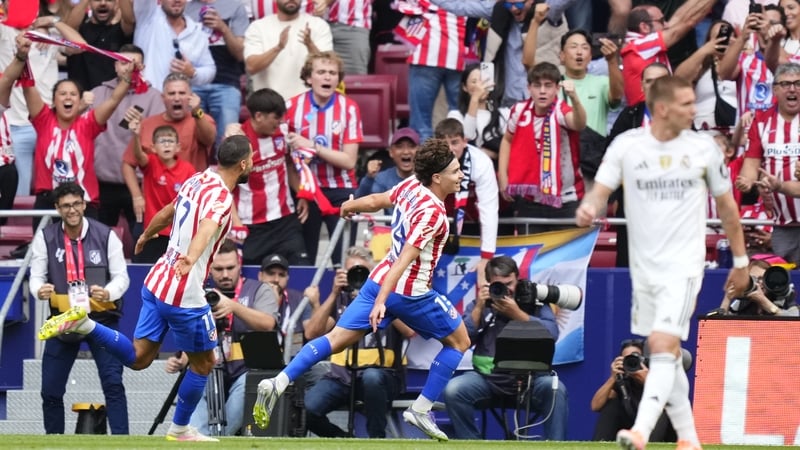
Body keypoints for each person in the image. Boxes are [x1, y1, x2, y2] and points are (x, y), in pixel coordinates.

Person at [36, 135, 254, 442]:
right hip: (183, 291)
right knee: (205, 362)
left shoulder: (197, 179)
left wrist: (147, 234)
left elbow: (169, 209)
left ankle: (86, 324)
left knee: (139, 358)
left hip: (157, 279)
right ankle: (180, 429)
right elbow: (206, 228)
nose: (253, 164)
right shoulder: (222, 197)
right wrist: (191, 258)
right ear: (243, 163)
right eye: (252, 159)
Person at [252, 138, 471, 441]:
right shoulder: (433, 212)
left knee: (336, 340)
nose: (461, 176)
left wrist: (349, 205)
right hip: (409, 291)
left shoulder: (410, 186)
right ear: (437, 177)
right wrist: (384, 301)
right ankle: (421, 409)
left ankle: (279, 380)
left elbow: (377, 200)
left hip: (377, 278)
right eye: (456, 171)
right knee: (459, 341)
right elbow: (405, 260)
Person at [576, 75, 751, 450]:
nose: (694, 110)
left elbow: (728, 208)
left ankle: (641, 430)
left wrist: (740, 261)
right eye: (687, 104)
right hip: (644, 268)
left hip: (685, 264)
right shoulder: (627, 145)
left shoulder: (704, 149)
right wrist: (590, 206)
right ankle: (688, 437)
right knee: (668, 353)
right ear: (661, 109)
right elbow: (602, 189)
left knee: (658, 344)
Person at [30, 182, 130, 435]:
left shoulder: (106, 235)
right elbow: (35, 277)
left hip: (101, 318)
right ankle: (55, 441)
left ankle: (122, 441)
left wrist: (109, 292)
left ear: (84, 204)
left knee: (113, 384)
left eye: (76, 204)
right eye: (65, 206)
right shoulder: (46, 237)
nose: (72, 210)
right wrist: (39, 290)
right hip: (63, 319)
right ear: (57, 208)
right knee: (50, 390)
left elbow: (122, 277)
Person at [443, 255, 568, 441]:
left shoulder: (534, 301)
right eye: (499, 285)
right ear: (489, 283)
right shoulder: (483, 304)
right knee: (454, 389)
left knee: (555, 389)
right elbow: (461, 339)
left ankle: (556, 446)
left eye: (509, 283)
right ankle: (472, 445)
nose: (507, 290)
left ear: (517, 278)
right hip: (488, 380)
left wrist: (518, 314)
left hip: (532, 381)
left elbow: (552, 334)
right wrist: (478, 307)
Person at [12, 33, 134, 218]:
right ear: (53, 101)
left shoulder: (88, 123)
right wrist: (22, 55)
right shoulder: (44, 119)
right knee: (45, 248)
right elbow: (28, 85)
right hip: (48, 201)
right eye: (62, 94)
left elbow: (114, 100)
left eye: (73, 94)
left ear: (80, 101)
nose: (68, 97)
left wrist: (128, 77)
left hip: (82, 203)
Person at [165, 239, 280, 436]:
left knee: (246, 389)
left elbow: (268, 323)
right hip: (209, 366)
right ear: (209, 268)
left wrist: (233, 306)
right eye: (218, 269)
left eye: (230, 268)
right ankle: (197, 436)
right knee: (194, 378)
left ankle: (218, 439)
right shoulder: (198, 293)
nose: (225, 274)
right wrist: (181, 358)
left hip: (248, 371)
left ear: (239, 265)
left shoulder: (259, 289)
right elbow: (189, 333)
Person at [302, 246, 410, 438]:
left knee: (371, 377)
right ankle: (345, 441)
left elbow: (410, 331)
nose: (358, 277)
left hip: (383, 377)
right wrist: (334, 294)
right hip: (342, 378)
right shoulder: (341, 298)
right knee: (308, 409)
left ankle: (376, 440)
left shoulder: (387, 297)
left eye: (363, 272)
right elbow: (312, 333)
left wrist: (381, 298)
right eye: (353, 271)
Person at [285, 51, 363, 265]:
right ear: (309, 78)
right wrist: (300, 191)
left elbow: (349, 161)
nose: (327, 77)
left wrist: (314, 147)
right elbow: (287, 161)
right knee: (304, 261)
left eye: (332, 73)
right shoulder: (291, 108)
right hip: (305, 193)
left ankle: (345, 298)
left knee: (343, 261)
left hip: (341, 191)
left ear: (338, 79)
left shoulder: (349, 109)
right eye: (321, 72)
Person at [497, 62, 586, 234]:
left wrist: (574, 98)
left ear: (557, 89)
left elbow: (579, 123)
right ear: (529, 88)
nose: (542, 91)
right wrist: (503, 177)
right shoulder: (519, 111)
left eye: (548, 86)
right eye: (537, 86)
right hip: (530, 200)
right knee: (531, 258)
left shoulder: (561, 110)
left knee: (566, 259)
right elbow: (507, 140)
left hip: (565, 199)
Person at [121, 72, 217, 228]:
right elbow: (128, 163)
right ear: (163, 98)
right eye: (171, 93)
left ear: (191, 97)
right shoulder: (147, 124)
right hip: (154, 210)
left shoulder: (200, 119)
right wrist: (137, 196)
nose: (177, 98)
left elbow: (209, 139)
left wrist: (198, 112)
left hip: (191, 206)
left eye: (182, 93)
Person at [229, 88, 311, 266]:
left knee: (301, 270)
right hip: (252, 226)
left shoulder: (283, 131)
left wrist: (301, 193)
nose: (280, 121)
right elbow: (227, 187)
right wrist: (236, 224)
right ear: (259, 116)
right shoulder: (238, 142)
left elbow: (288, 164)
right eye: (276, 117)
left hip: (285, 220)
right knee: (252, 281)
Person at [91, 44, 166, 234]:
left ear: (142, 67)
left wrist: (143, 128)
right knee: (98, 240)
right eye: (124, 63)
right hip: (102, 181)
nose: (129, 68)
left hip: (140, 183)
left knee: (141, 239)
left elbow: (158, 141)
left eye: (135, 63)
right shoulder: (97, 94)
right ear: (116, 65)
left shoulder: (154, 97)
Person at [736, 63, 800, 266]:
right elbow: (752, 162)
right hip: (783, 225)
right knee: (783, 288)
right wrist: (746, 180)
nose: (792, 89)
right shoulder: (761, 121)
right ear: (775, 90)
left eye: (798, 84)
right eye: (786, 84)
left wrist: (779, 185)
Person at [435, 118, 498, 287]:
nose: (450, 149)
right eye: (444, 144)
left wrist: (486, 258)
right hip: (442, 220)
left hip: (474, 220)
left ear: (465, 141)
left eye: (455, 142)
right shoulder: (429, 161)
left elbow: (489, 209)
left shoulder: (481, 162)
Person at [621, 1, 718, 105]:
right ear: (644, 27)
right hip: (647, 116)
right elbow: (689, 22)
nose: (667, 24)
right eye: (662, 21)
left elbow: (679, 17)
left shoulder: (639, 41)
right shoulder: (639, 46)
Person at [184, 0, 250, 150]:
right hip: (193, 84)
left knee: (228, 145)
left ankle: (226, 174)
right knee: (190, 143)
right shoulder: (185, 8)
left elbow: (240, 55)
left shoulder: (235, 6)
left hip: (226, 84)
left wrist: (223, 28)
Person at [128, 123, 196, 263]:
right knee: (148, 271)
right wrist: (136, 136)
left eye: (170, 141)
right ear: (153, 147)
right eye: (162, 141)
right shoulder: (151, 163)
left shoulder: (188, 169)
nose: (166, 145)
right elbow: (139, 156)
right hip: (153, 232)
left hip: (178, 233)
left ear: (178, 147)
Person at [243, 0, 333, 99]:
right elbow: (251, 67)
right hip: (269, 105)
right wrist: (278, 48)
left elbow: (328, 67)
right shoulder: (258, 27)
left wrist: (310, 45)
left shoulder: (318, 25)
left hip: (307, 104)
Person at [591, 339, 676, 443]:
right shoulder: (622, 380)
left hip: (661, 432)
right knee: (612, 405)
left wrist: (647, 380)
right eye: (626, 358)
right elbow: (595, 406)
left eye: (635, 357)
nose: (631, 361)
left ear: (645, 359)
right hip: (632, 424)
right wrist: (612, 378)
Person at [119, 0, 216, 89]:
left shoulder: (196, 31)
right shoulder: (147, 16)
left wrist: (193, 72)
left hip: (177, 101)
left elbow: (210, 69)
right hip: (146, 99)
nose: (177, 1)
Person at [65, 0, 134, 91]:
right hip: (81, 98)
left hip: (113, 97)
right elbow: (69, 27)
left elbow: (129, 20)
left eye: (109, 0)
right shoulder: (79, 30)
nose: (103, 3)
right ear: (89, 3)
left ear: (116, 3)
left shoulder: (121, 30)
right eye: (97, 0)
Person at [355, 127, 420, 213]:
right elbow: (358, 204)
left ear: (420, 150)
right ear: (391, 152)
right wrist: (369, 178)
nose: (406, 151)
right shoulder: (382, 179)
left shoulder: (429, 179)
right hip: (389, 226)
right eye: (399, 147)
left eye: (411, 147)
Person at [713, 257, 799, 316]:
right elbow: (720, 326)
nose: (759, 283)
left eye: (762, 278)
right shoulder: (743, 301)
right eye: (753, 279)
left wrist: (764, 302)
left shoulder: (782, 298)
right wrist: (727, 298)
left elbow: (795, 322)